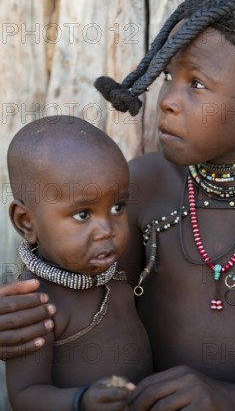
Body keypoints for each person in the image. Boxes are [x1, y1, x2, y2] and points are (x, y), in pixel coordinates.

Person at [1, 0, 235, 410]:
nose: (169, 101)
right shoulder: (142, 185)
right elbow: (76, 292)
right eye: (169, 77)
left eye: (196, 83)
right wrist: (21, 322)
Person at [4, 116, 152, 411]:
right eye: (83, 214)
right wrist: (80, 401)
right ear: (26, 222)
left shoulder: (117, 272)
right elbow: (25, 394)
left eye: (117, 207)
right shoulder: (36, 306)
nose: (107, 229)